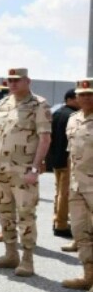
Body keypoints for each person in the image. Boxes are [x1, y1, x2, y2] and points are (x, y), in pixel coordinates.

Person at [0, 68, 52, 277]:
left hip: (23, 171)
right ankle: (10, 254)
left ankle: (27, 260)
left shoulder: (39, 104)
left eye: (17, 80)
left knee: (26, 215)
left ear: (28, 81)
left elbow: (45, 139)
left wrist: (34, 168)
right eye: (10, 80)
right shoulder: (4, 104)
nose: (12, 84)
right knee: (4, 213)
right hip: (1, 169)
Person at [61, 78, 93, 292]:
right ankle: (88, 275)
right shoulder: (73, 120)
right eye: (81, 94)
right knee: (80, 231)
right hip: (77, 185)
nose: (85, 98)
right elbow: (71, 155)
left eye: (90, 94)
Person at [48, 89, 79, 241]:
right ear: (70, 99)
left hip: (56, 159)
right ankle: (61, 224)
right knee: (65, 194)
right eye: (78, 97)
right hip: (68, 160)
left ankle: (57, 220)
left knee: (59, 193)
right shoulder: (73, 116)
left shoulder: (57, 113)